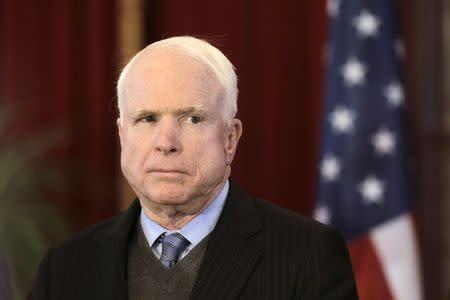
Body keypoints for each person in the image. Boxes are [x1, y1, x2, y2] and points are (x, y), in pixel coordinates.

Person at [30, 36, 358, 299]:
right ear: (122, 135)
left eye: (192, 118)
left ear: (230, 138)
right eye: (147, 118)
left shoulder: (307, 256)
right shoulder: (65, 267)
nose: (166, 142)